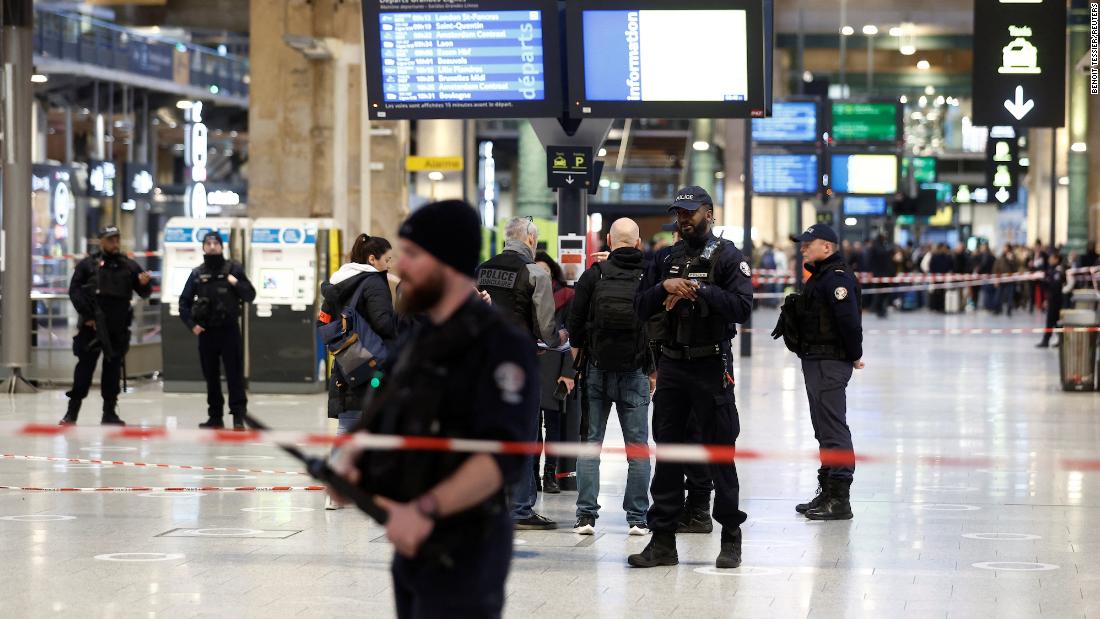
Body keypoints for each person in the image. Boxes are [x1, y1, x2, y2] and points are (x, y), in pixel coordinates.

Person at [326, 200, 536, 619]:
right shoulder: (418, 337)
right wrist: (352, 463)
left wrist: (425, 510)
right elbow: (385, 413)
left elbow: (502, 456)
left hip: (465, 545)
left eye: (413, 255)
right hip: (412, 543)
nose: (400, 268)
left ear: (447, 262)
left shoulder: (500, 344)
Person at [630, 186, 753, 569]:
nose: (683, 219)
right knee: (667, 452)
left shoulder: (729, 257)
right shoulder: (665, 257)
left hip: (711, 366)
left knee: (719, 451)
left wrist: (700, 290)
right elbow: (639, 306)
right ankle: (663, 540)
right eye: (679, 214)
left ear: (709, 213)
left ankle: (730, 535)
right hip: (672, 366)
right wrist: (663, 287)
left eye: (690, 213)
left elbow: (742, 308)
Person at [476, 217, 564, 531]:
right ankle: (521, 508)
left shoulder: (483, 269)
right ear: (529, 239)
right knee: (525, 433)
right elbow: (546, 328)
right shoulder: (535, 273)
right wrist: (559, 339)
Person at [773, 224, 864, 521]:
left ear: (826, 247)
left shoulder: (836, 278)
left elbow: (848, 321)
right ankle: (827, 491)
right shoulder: (820, 276)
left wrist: (855, 354)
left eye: (807, 244)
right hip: (815, 360)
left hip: (829, 361)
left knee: (834, 429)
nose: (802, 249)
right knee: (822, 428)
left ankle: (840, 499)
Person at [568, 217, 653, 536]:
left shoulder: (594, 274)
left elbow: (574, 324)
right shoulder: (648, 275)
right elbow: (656, 323)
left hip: (597, 370)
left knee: (591, 444)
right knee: (638, 448)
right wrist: (652, 368)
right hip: (636, 370)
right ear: (638, 241)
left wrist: (582, 361)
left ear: (609, 239)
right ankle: (637, 518)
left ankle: (586, 516)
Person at [318, 234, 397, 510]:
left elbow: (323, 319)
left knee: (346, 425)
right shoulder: (374, 282)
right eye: (387, 259)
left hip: (346, 362)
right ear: (372, 259)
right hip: (373, 363)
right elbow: (384, 324)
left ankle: (335, 492)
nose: (390, 265)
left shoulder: (337, 280)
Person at [60, 226, 153, 426]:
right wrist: (87, 315)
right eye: (110, 240)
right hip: (91, 327)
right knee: (84, 370)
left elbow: (144, 293)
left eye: (117, 239)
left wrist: (145, 283)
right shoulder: (87, 265)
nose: (115, 244)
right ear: (101, 241)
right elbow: (74, 291)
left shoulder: (128, 265)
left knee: (112, 372)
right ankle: (72, 413)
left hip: (117, 329)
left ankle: (109, 413)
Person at [178, 231, 256, 430]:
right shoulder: (197, 273)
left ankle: (238, 417)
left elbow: (250, 295)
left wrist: (236, 283)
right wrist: (192, 325)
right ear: (203, 247)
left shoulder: (234, 269)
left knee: (235, 375)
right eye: (208, 243)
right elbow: (184, 303)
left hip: (229, 331)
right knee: (211, 376)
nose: (212, 246)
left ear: (222, 247)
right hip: (206, 333)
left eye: (216, 243)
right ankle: (215, 416)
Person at [533, 251, 575, 495]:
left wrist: (568, 372)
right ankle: (532, 476)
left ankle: (550, 475)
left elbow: (573, 334)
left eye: (546, 271)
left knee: (554, 425)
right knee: (532, 427)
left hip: (556, 368)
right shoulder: (526, 297)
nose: (542, 276)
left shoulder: (567, 297)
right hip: (533, 366)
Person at [1037, 252, 1074, 348]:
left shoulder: (1059, 270)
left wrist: (1046, 282)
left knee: (1052, 321)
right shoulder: (1052, 269)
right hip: (1053, 299)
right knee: (1056, 321)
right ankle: (1059, 340)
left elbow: (1055, 286)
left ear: (1057, 259)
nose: (1049, 260)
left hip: (1057, 300)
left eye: (1051, 258)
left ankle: (1047, 341)